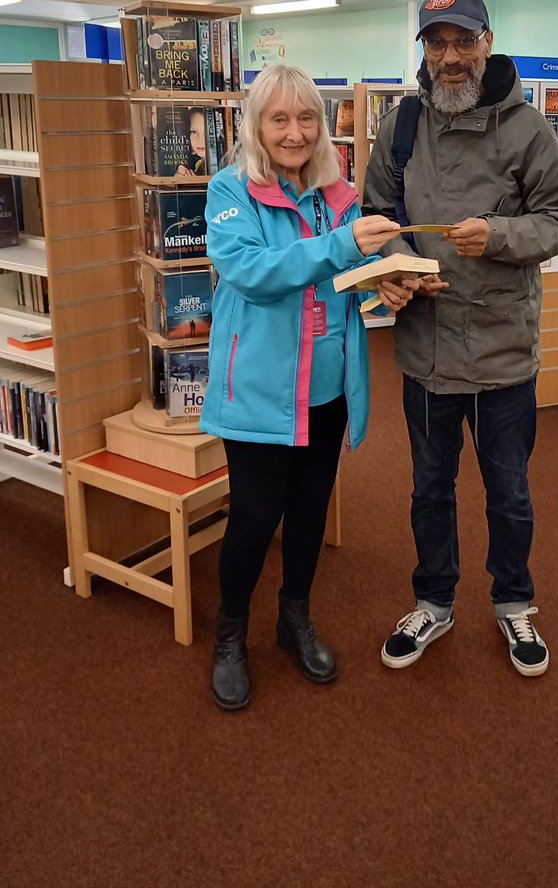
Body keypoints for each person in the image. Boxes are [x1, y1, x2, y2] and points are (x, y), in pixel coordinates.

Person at [363, 0, 558, 678]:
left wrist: (502, 234)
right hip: (425, 350)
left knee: (508, 491)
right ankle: (434, 600)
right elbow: (372, 219)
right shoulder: (398, 127)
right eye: (436, 43)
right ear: (422, 50)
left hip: (503, 352)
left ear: (487, 42)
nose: (449, 57)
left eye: (462, 41)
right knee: (430, 488)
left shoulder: (527, 128)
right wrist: (392, 269)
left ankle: (514, 601)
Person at [200, 64, 406, 711]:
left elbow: (351, 271)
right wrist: (346, 247)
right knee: (256, 520)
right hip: (259, 396)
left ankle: (294, 620)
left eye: (307, 118)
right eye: (280, 119)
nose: (295, 132)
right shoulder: (229, 191)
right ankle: (230, 634)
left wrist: (387, 279)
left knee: (311, 512)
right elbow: (256, 272)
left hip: (328, 390)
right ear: (258, 126)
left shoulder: (336, 194)